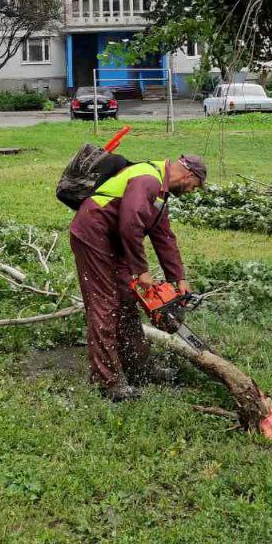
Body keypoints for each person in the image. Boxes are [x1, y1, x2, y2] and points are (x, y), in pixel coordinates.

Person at [69, 153, 207, 401]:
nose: (191, 191)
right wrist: (141, 271)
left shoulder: (160, 194)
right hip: (93, 233)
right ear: (188, 175)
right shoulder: (148, 179)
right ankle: (107, 383)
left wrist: (179, 279)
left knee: (126, 301)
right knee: (105, 305)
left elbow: (164, 237)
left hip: (113, 241)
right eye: (194, 186)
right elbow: (130, 223)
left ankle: (138, 367)